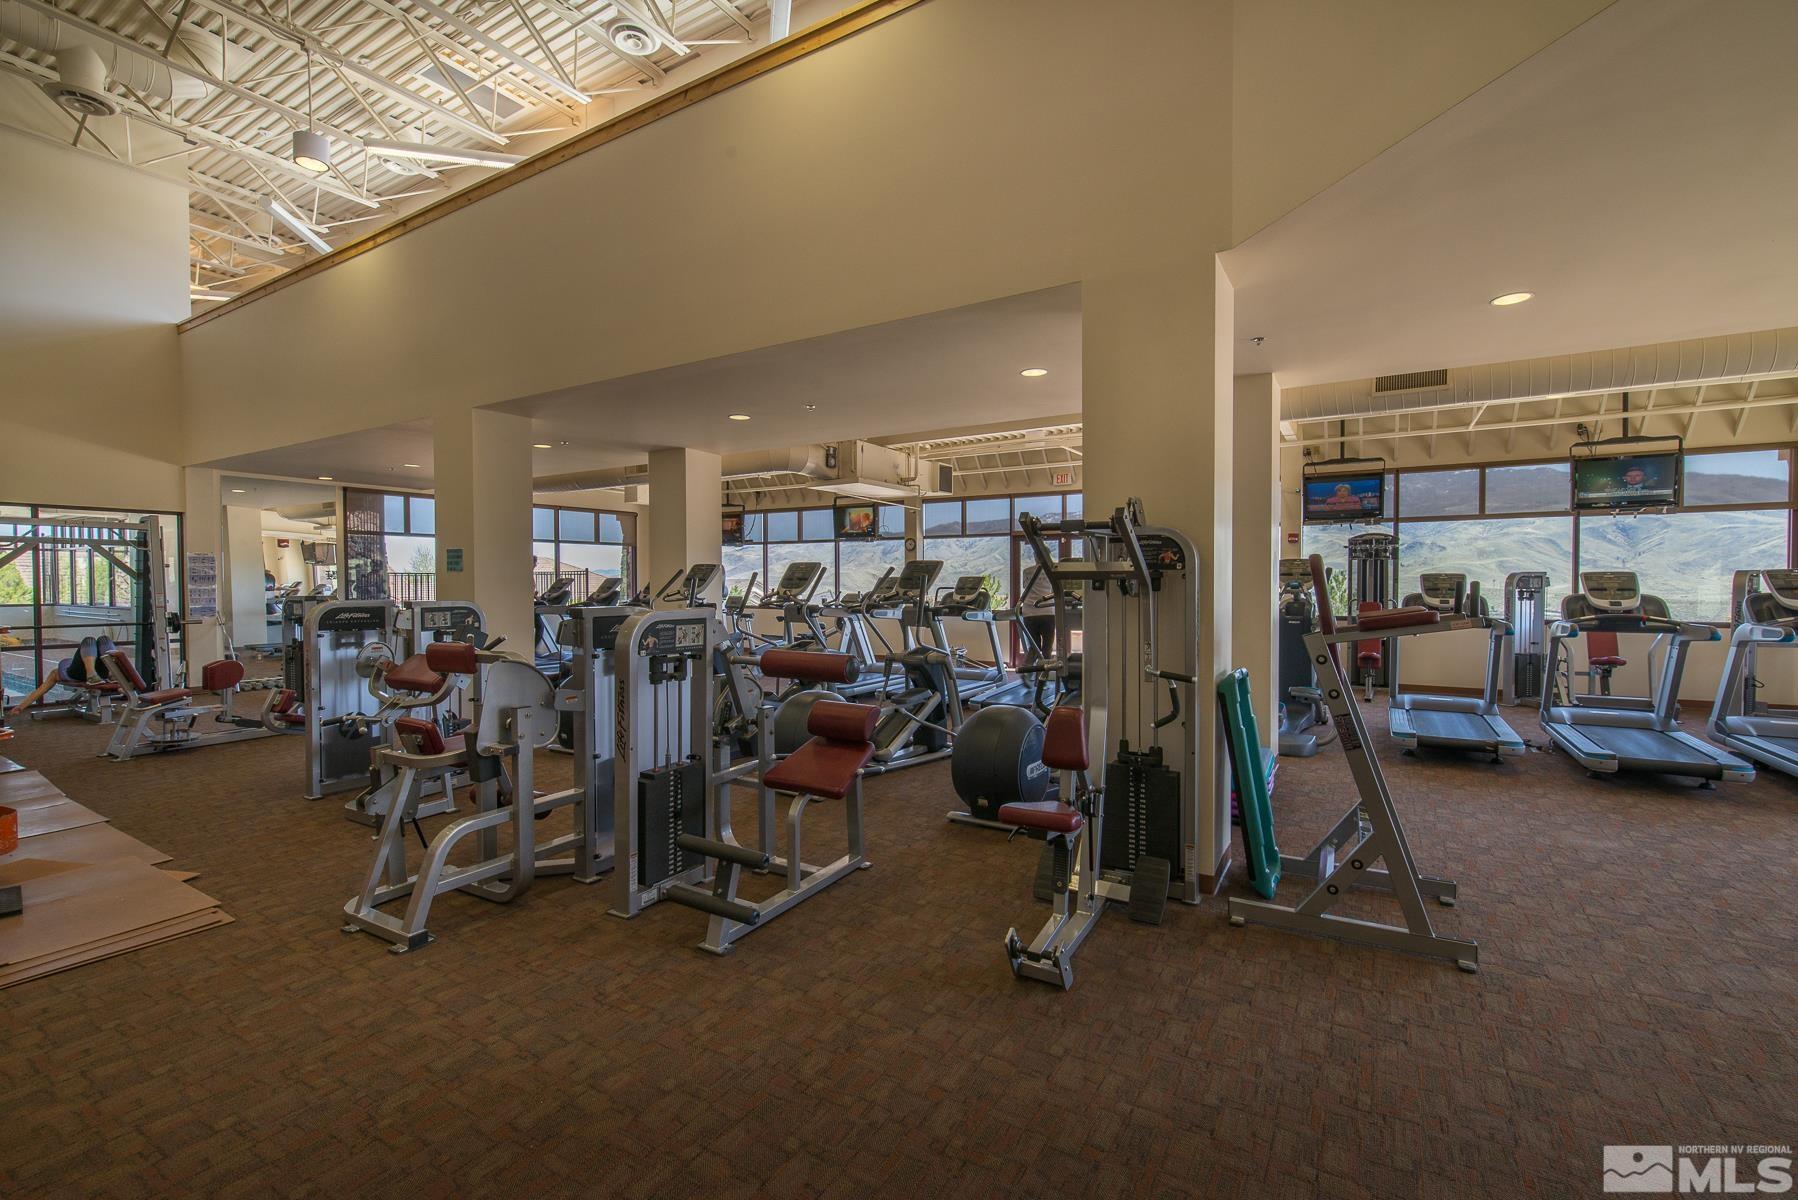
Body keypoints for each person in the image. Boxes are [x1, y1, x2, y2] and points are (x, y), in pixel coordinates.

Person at [7, 635, 115, 716]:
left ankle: (93, 675)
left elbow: (42, 689)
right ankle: (112, 673)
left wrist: (21, 706)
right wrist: (21, 707)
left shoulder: (58, 672)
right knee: (104, 639)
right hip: (103, 673)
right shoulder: (59, 672)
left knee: (89, 640)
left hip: (81, 674)